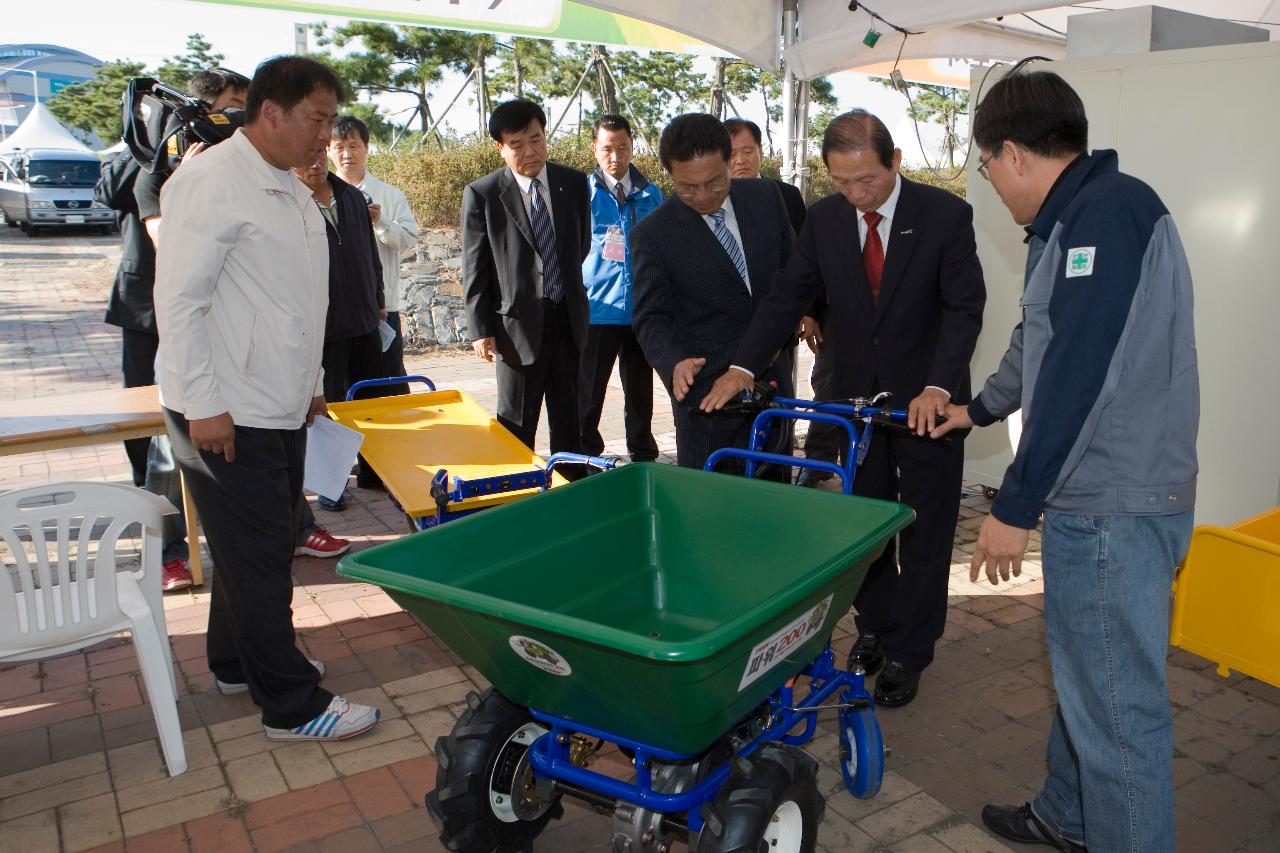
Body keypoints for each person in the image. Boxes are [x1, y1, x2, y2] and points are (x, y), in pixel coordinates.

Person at [930, 70, 1198, 853]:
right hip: (1122, 494)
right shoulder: (1077, 217)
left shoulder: (1104, 218)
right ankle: (1068, 815)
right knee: (1090, 676)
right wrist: (973, 408)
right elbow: (1041, 341)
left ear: (1012, 153)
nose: (992, 186)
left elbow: (1080, 370)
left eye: (985, 169)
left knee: (1120, 716)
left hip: (1111, 505)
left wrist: (1014, 506)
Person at [701, 110, 986, 707]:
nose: (857, 195)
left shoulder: (945, 215)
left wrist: (939, 385)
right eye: (843, 183)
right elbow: (788, 296)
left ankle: (912, 648)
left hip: (928, 401)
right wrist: (742, 366)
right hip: (854, 398)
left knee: (927, 527)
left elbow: (964, 309)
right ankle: (878, 628)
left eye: (868, 181)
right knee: (864, 523)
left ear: (895, 161)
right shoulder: (826, 219)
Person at [154, 55, 380, 741]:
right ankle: (291, 703)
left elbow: (302, 300)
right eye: (317, 120)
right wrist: (202, 404)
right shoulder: (212, 180)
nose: (325, 135)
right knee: (258, 554)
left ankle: (233, 661)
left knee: (261, 540)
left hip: (275, 401)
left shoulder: (287, 183)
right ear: (272, 111)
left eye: (332, 122)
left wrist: (311, 387)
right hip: (225, 406)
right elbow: (180, 302)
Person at [99, 68, 250, 592]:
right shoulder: (156, 167)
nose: (236, 120)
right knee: (156, 441)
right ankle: (166, 547)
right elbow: (179, 254)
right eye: (229, 107)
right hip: (150, 315)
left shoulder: (240, 170)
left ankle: (280, 526)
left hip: (214, 320)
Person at [630, 113, 796, 474]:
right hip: (708, 399)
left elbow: (792, 277)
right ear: (670, 176)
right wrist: (672, 361)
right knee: (712, 513)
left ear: (729, 161)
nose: (704, 196)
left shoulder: (766, 197)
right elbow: (650, 316)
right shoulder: (654, 234)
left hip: (772, 388)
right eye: (688, 187)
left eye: (715, 182)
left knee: (780, 510)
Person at [462, 99, 591, 457]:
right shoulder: (483, 194)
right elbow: (475, 266)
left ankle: (570, 490)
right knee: (516, 423)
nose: (530, 151)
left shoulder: (574, 183)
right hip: (515, 327)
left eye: (536, 139)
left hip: (567, 319)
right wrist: (481, 328)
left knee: (569, 421)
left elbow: (581, 245)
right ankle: (519, 496)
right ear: (500, 147)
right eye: (517, 144)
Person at [290, 148, 383, 528]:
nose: (314, 163)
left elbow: (371, 255)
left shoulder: (350, 196)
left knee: (369, 401)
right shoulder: (289, 201)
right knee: (325, 409)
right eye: (305, 157)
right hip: (321, 327)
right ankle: (331, 485)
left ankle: (376, 474)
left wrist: (378, 299)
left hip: (363, 318)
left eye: (318, 155)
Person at [578, 114, 664, 463]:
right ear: (595, 149)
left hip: (641, 310)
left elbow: (663, 248)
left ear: (633, 147)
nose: (616, 156)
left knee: (640, 390)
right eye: (608, 149)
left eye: (623, 147)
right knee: (589, 390)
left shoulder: (651, 193)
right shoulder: (581, 194)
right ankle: (585, 454)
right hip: (597, 308)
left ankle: (642, 453)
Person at [328, 115, 419, 389]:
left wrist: (381, 222)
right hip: (336, 312)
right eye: (339, 146)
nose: (347, 154)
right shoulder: (318, 194)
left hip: (381, 308)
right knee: (342, 387)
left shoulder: (389, 195)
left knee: (388, 382)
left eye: (354, 145)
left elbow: (407, 239)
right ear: (328, 150)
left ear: (367, 148)